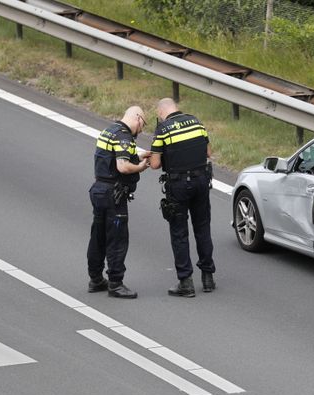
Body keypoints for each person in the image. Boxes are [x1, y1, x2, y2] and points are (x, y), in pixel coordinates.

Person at [150, 98, 216, 297]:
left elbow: (154, 164)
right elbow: (209, 152)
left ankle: (186, 282)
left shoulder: (163, 129)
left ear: (161, 112)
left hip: (178, 185)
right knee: (202, 228)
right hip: (201, 181)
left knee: (179, 233)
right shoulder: (196, 122)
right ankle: (208, 278)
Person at [86, 106, 151, 299]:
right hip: (113, 194)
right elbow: (122, 167)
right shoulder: (124, 136)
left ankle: (96, 279)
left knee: (98, 236)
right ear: (138, 118)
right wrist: (140, 167)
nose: (141, 129)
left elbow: (113, 158)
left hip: (99, 189)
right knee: (117, 239)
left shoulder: (108, 131)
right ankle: (115, 283)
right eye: (143, 124)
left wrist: (138, 156)